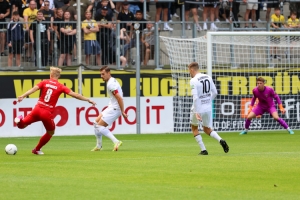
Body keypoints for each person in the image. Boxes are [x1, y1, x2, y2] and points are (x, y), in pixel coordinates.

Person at [14, 67, 96, 155]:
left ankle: (19, 120)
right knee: (50, 132)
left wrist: (23, 96)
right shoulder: (60, 86)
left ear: (51, 75)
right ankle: (36, 149)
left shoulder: (44, 82)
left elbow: (33, 89)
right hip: (46, 112)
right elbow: (74, 95)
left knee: (22, 126)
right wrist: (87, 99)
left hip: (37, 109)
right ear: (59, 76)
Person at [188, 62, 229, 155]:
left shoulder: (193, 80)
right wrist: (207, 101)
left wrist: (196, 111)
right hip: (208, 108)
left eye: (189, 71)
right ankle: (220, 140)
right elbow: (215, 92)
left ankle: (203, 150)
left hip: (198, 108)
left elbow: (195, 97)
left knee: (194, 128)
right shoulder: (208, 77)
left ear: (192, 70)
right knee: (207, 129)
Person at [91, 66, 127, 152]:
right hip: (111, 106)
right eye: (100, 74)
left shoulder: (111, 84)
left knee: (100, 126)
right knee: (95, 123)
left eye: (103, 74)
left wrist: (122, 111)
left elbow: (119, 98)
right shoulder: (112, 80)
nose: (101, 76)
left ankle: (116, 141)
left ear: (108, 73)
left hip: (115, 108)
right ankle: (99, 146)